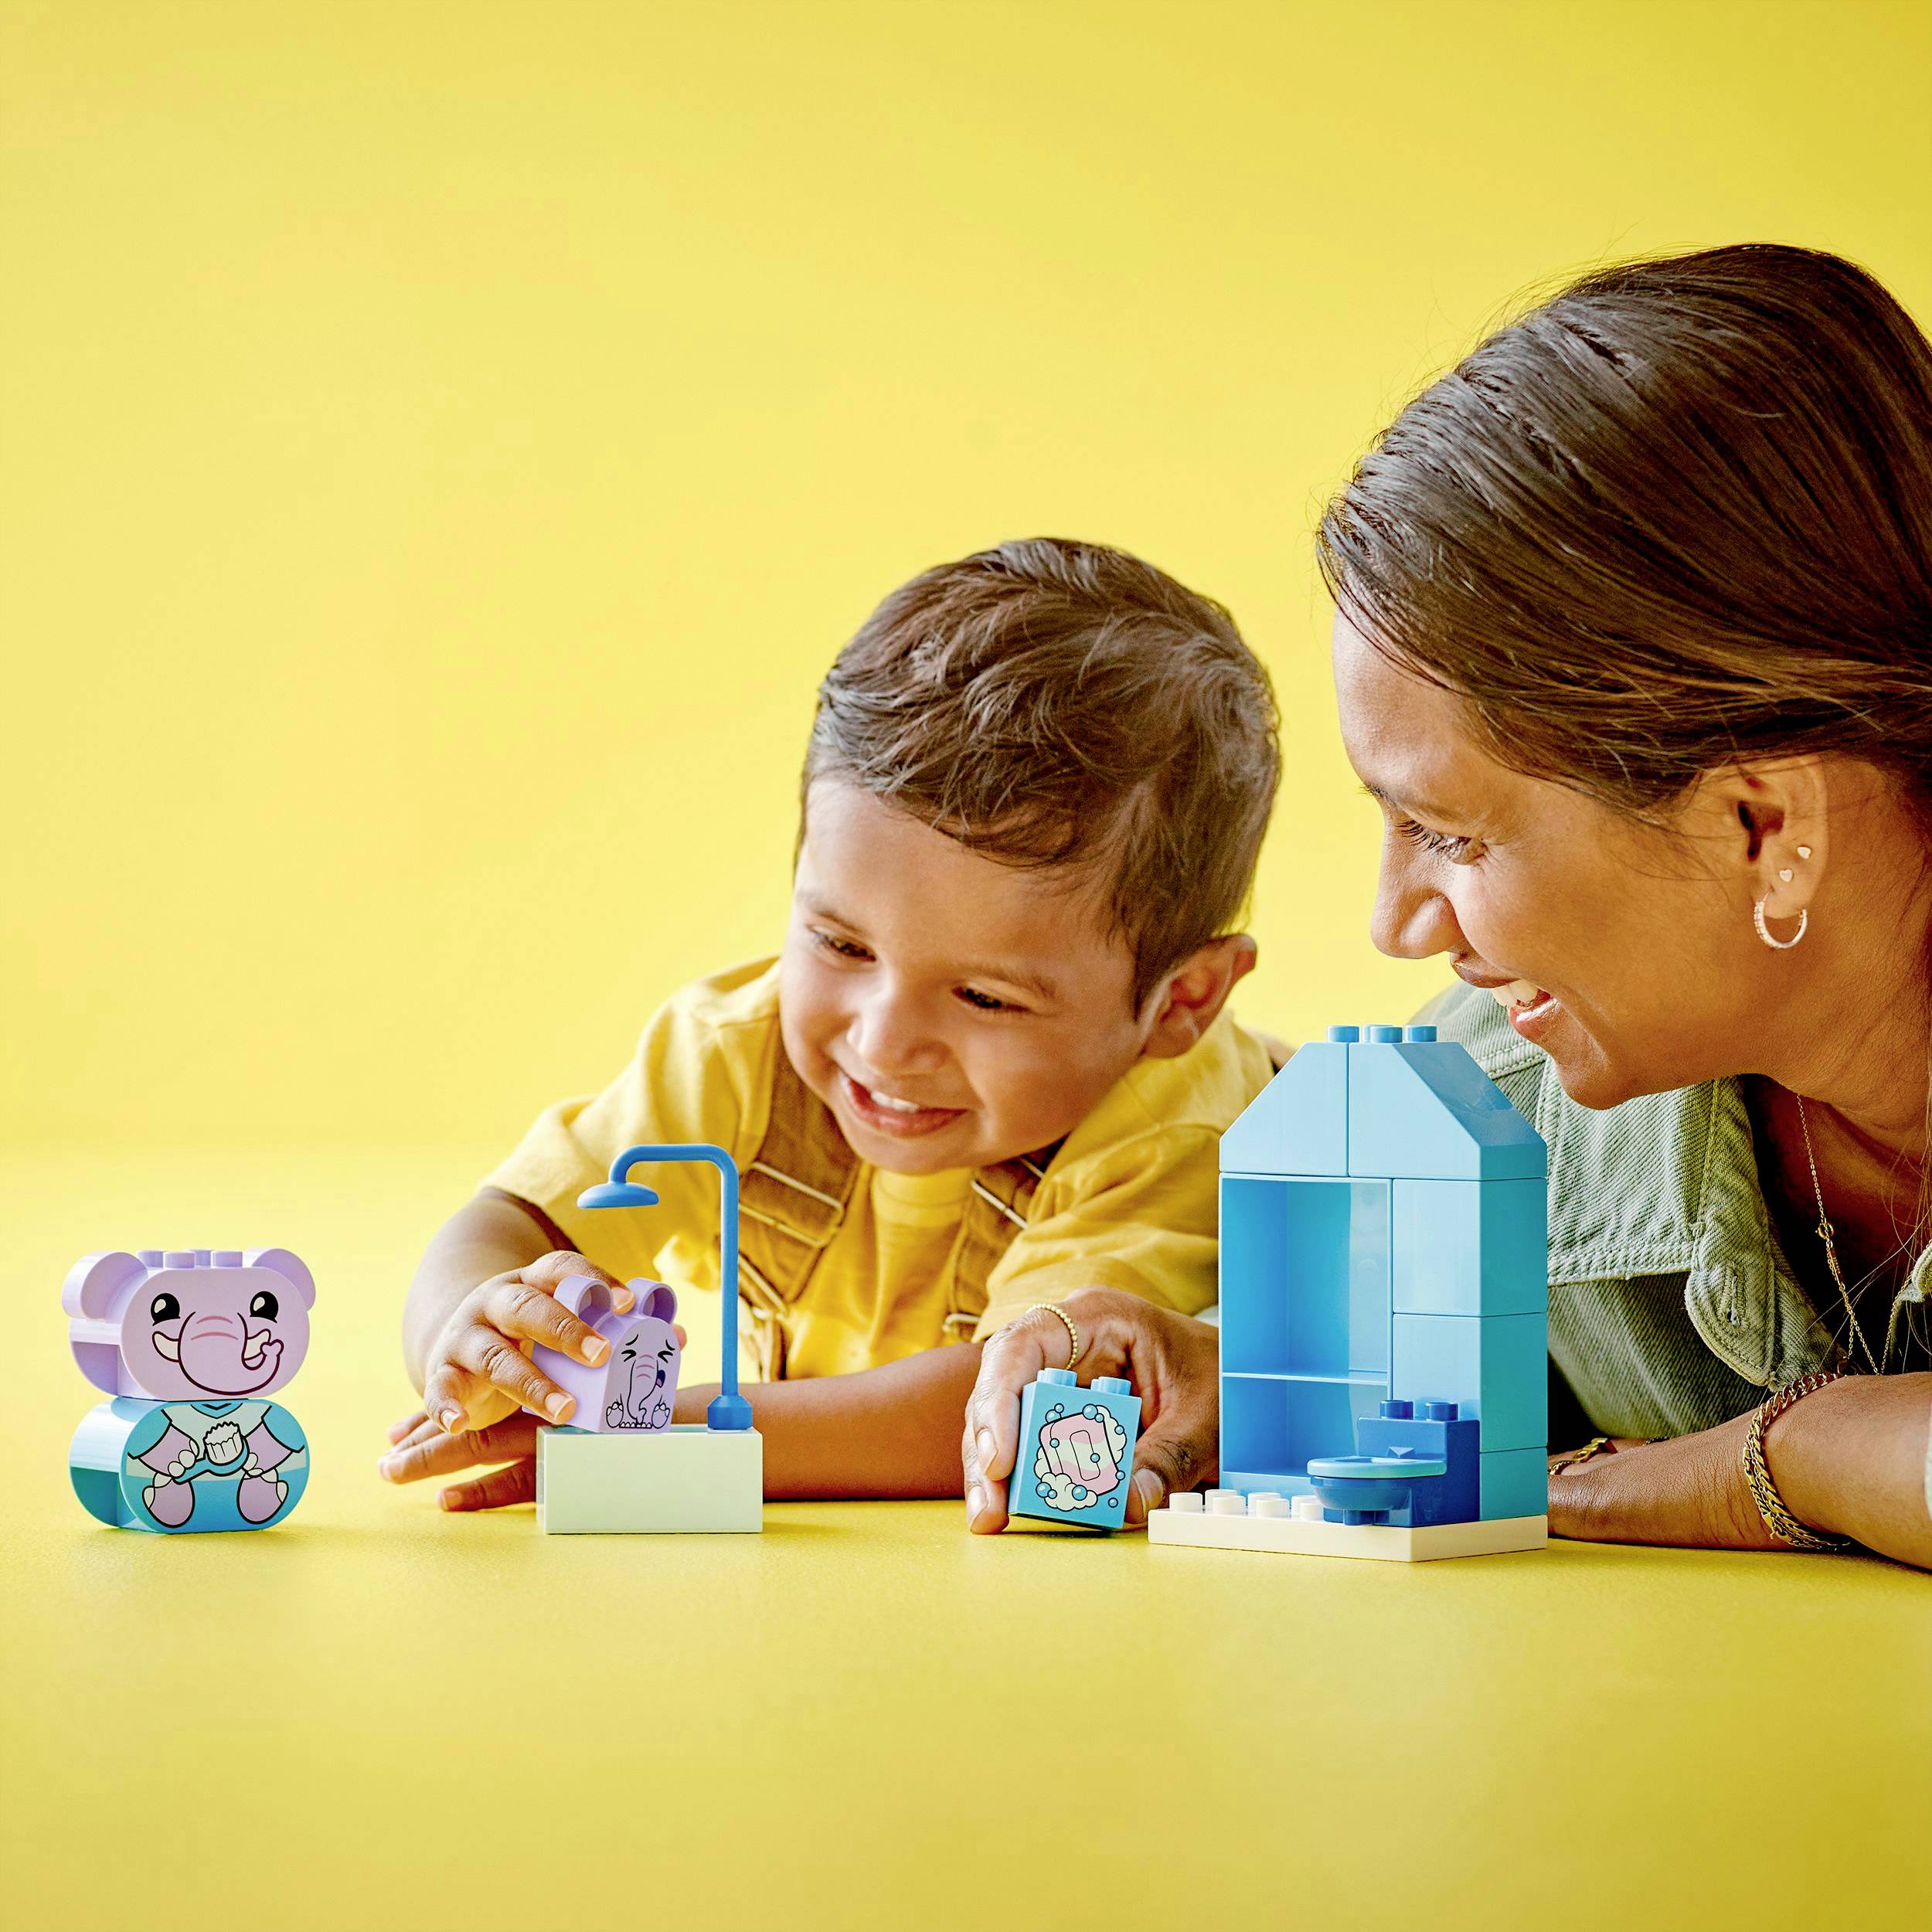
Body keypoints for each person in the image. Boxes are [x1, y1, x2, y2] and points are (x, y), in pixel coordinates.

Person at [964, 246, 1932, 1570]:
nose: (1398, 922)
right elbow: (1395, 1385)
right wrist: (1218, 1382)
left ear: (1764, 828)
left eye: (1453, 835)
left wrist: (1780, 1458)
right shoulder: (1491, 1100)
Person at [381, 536, 1280, 1510]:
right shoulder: (734, 1048)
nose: (883, 1040)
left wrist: (638, 1430)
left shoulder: (1186, 1131)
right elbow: (509, 1220)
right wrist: (471, 1333)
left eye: (983, 998)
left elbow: (995, 1412)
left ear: (1182, 1001)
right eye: (841, 945)